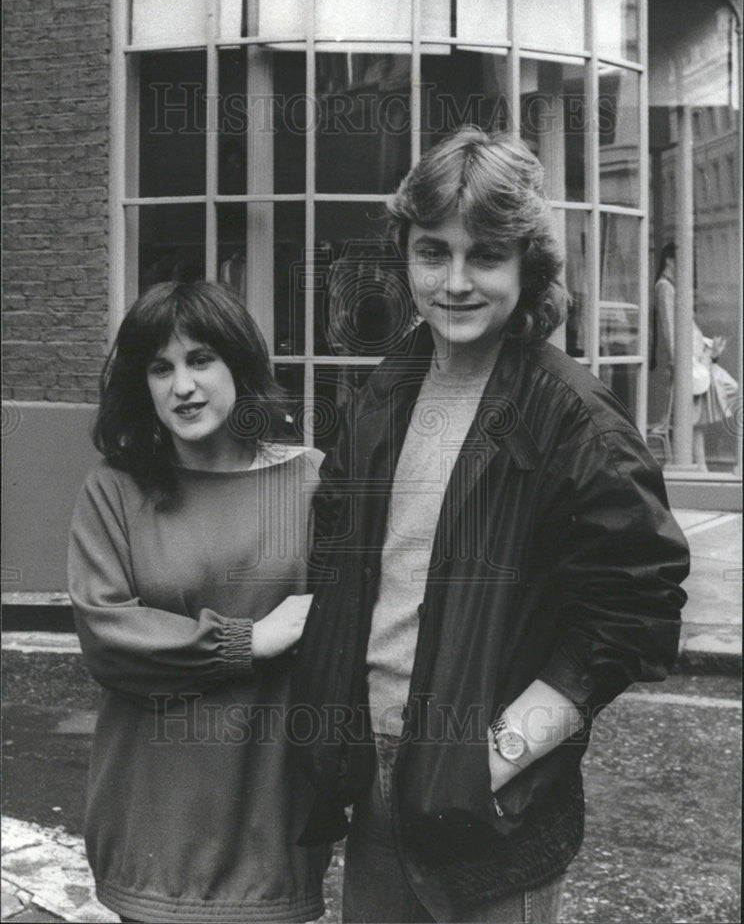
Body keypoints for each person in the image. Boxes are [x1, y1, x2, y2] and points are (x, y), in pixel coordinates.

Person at [291, 128, 690, 923]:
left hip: (492, 828)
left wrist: (498, 756)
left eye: (486, 256)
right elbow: (344, 567)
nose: (456, 282)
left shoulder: (572, 416)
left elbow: (636, 609)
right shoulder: (386, 392)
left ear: (527, 265)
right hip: (377, 803)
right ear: (405, 254)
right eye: (433, 253)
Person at [68, 281, 328, 924]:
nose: (182, 385)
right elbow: (107, 633)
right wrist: (248, 640)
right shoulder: (115, 489)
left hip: (273, 823)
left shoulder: (312, 481)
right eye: (161, 368)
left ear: (239, 364)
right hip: (152, 822)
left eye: (200, 359)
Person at [653, 241, 739, 469]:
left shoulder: (672, 287)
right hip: (689, 363)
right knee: (696, 417)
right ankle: (699, 468)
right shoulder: (665, 287)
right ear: (671, 261)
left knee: (696, 420)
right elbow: (669, 328)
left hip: (696, 361)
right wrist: (678, 363)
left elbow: (685, 328)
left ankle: (702, 468)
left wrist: (709, 349)